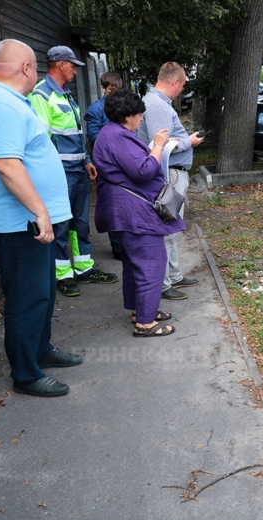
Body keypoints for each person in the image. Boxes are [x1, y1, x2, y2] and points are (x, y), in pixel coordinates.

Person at [0, 39, 83, 397]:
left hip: (28, 223)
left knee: (43, 292)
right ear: (27, 68)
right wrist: (40, 211)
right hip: (21, 224)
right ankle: (26, 374)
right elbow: (6, 164)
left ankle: (40, 350)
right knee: (27, 298)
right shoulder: (1, 104)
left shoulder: (5, 101)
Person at [93, 89, 186, 337]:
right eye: (138, 115)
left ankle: (141, 310)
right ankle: (145, 323)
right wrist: (157, 146)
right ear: (128, 116)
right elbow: (143, 171)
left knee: (136, 265)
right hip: (133, 212)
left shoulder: (112, 133)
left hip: (126, 210)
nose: (141, 119)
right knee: (151, 263)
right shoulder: (118, 137)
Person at [28, 45, 117, 297]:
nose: (76, 72)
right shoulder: (41, 96)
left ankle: (84, 268)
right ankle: (63, 276)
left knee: (80, 223)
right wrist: (52, 174)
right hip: (59, 175)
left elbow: (76, 133)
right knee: (61, 225)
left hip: (77, 170)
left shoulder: (66, 94)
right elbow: (41, 141)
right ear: (61, 65)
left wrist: (87, 159)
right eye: (73, 67)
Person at [138, 61, 203, 301]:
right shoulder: (157, 106)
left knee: (172, 228)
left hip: (174, 172)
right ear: (175, 82)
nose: (182, 90)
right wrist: (190, 142)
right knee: (166, 228)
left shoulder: (156, 103)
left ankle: (173, 275)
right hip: (170, 173)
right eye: (183, 85)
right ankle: (164, 283)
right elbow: (161, 144)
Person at [84, 71, 124, 260]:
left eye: (118, 90)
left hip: (124, 163)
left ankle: (125, 244)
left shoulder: (122, 106)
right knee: (112, 205)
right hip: (106, 165)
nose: (115, 93)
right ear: (103, 88)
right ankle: (117, 248)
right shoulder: (95, 110)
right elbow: (93, 136)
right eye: (111, 90)